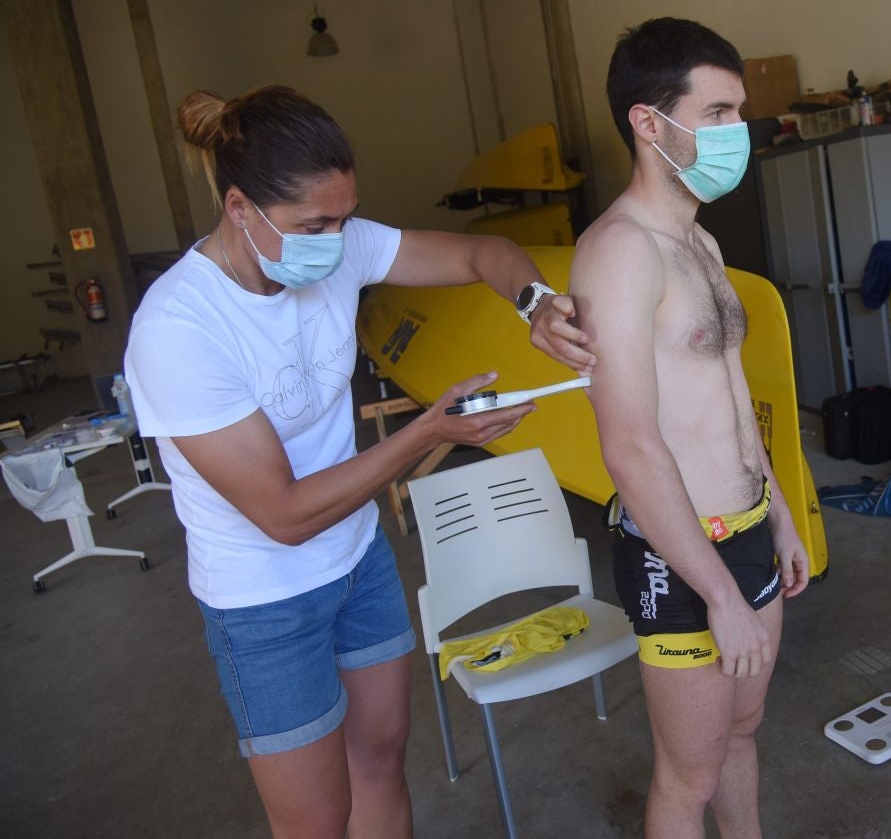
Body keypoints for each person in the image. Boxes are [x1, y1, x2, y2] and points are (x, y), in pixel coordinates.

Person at [124, 85, 594, 839]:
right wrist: (429, 433)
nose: (337, 241)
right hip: (264, 600)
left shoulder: (334, 249)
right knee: (316, 819)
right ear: (240, 208)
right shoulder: (179, 328)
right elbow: (281, 514)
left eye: (345, 218)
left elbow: (481, 251)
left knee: (381, 759)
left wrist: (536, 302)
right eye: (315, 224)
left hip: (357, 561)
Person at [569, 18, 811, 839]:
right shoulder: (618, 253)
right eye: (717, 113)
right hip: (682, 555)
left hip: (745, 528)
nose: (736, 132)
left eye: (738, 111)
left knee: (742, 733)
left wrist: (778, 510)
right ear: (648, 122)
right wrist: (717, 592)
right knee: (688, 772)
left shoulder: (699, 241)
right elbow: (629, 444)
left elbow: (733, 395)